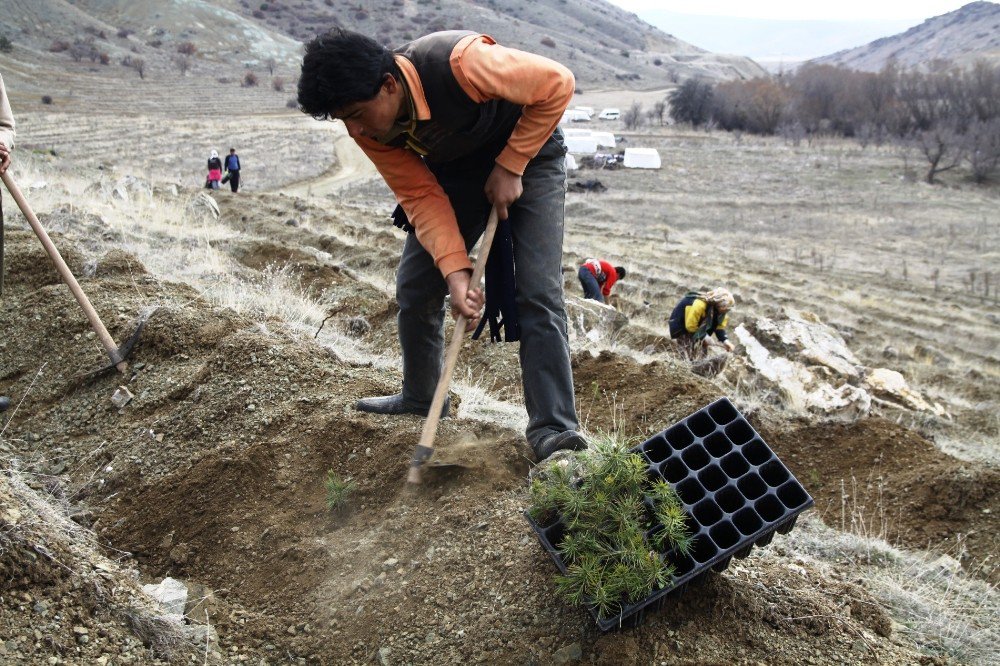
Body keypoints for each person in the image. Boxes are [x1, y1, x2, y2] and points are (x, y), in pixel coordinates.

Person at [298, 28, 586, 461]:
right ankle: (421, 398)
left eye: (356, 113)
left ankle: (553, 429)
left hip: (531, 153)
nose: (354, 128)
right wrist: (455, 271)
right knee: (417, 284)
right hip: (456, 172)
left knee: (537, 291)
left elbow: (557, 83)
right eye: (344, 119)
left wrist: (511, 164)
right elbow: (419, 196)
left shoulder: (462, 63)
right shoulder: (367, 127)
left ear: (390, 85)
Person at [669, 288, 736, 357]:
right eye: (723, 307)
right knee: (687, 350)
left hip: (698, 326)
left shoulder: (722, 313)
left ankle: (700, 363)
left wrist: (725, 341)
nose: (725, 310)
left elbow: (719, 328)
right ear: (717, 303)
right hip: (682, 325)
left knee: (702, 353)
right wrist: (704, 336)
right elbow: (690, 326)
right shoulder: (699, 304)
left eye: (727, 309)